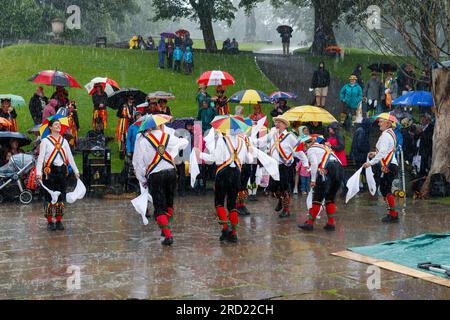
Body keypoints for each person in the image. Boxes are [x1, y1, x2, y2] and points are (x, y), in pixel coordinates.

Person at [133, 118, 189, 246]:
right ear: (160, 125)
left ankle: (167, 235)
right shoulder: (167, 137)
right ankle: (165, 229)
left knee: (158, 206)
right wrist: (183, 139)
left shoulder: (143, 141)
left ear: (148, 128)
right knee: (169, 203)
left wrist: (142, 179)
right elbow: (184, 143)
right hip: (171, 173)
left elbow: (138, 163)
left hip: (155, 175)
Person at [196, 122, 253, 243]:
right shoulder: (243, 141)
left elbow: (215, 159)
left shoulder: (222, 140)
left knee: (219, 203)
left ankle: (226, 229)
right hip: (237, 174)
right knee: (232, 204)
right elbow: (248, 159)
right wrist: (250, 152)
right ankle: (234, 233)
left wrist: (200, 154)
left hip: (223, 174)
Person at [36, 118, 80, 231]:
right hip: (49, 173)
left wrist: (76, 171)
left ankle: (59, 220)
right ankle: (50, 221)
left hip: (62, 173)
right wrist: (38, 173)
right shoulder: (45, 141)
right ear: (50, 127)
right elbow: (40, 159)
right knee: (49, 198)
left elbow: (70, 157)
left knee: (60, 197)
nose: (58, 126)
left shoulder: (64, 141)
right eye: (56, 125)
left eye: (59, 125)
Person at [257, 117, 303, 218]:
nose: (277, 124)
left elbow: (298, 150)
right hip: (274, 166)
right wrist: (251, 142)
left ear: (285, 125)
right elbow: (262, 141)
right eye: (276, 122)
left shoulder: (290, 136)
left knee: (285, 188)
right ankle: (280, 200)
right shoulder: (273, 134)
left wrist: (305, 162)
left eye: (279, 122)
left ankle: (286, 210)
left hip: (285, 166)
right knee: (273, 188)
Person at [298, 136, 343, 231]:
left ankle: (309, 224)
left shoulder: (311, 150)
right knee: (330, 197)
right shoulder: (324, 147)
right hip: (339, 169)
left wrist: (313, 180)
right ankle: (331, 224)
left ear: (306, 144)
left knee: (317, 197)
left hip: (327, 169)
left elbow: (314, 164)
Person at [362, 114, 400, 223]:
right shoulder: (390, 134)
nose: (379, 123)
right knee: (385, 189)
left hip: (389, 166)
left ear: (388, 123)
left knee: (385, 189)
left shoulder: (385, 135)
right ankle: (392, 213)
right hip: (391, 165)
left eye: (381, 121)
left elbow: (383, 152)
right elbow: (386, 151)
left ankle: (393, 214)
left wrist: (371, 163)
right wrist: (374, 154)